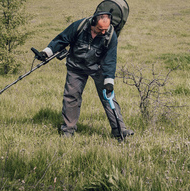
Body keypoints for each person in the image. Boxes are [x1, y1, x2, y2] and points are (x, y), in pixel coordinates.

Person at [37, 10, 134, 140]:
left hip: (98, 68)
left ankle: (119, 131)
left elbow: (111, 59)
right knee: (71, 96)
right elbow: (62, 39)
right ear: (93, 23)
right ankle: (68, 130)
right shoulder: (80, 26)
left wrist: (109, 81)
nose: (104, 32)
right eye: (101, 29)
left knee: (108, 97)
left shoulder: (110, 35)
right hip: (76, 67)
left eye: (106, 29)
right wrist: (46, 53)